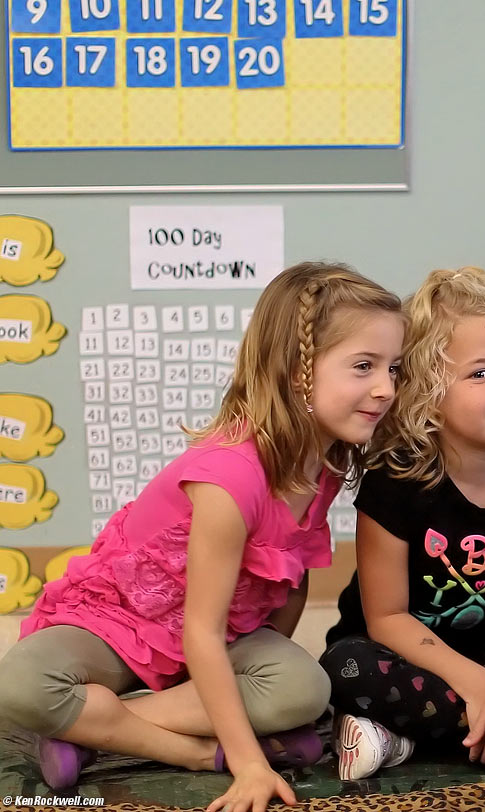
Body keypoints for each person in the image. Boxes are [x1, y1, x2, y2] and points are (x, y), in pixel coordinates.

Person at [0, 262, 405, 812]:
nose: (386, 388)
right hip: (127, 620)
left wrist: (268, 658)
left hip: (221, 634)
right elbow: (199, 630)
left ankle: (92, 729)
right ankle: (195, 752)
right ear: (295, 371)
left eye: (394, 368)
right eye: (364, 366)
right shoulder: (230, 476)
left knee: (303, 689)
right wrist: (246, 761)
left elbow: (290, 578)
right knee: (19, 686)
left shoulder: (326, 461)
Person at [319, 266, 485, 780]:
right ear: (428, 393)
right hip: (397, 652)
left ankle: (410, 735)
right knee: (342, 667)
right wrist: (476, 686)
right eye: (480, 374)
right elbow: (387, 617)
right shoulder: (395, 479)